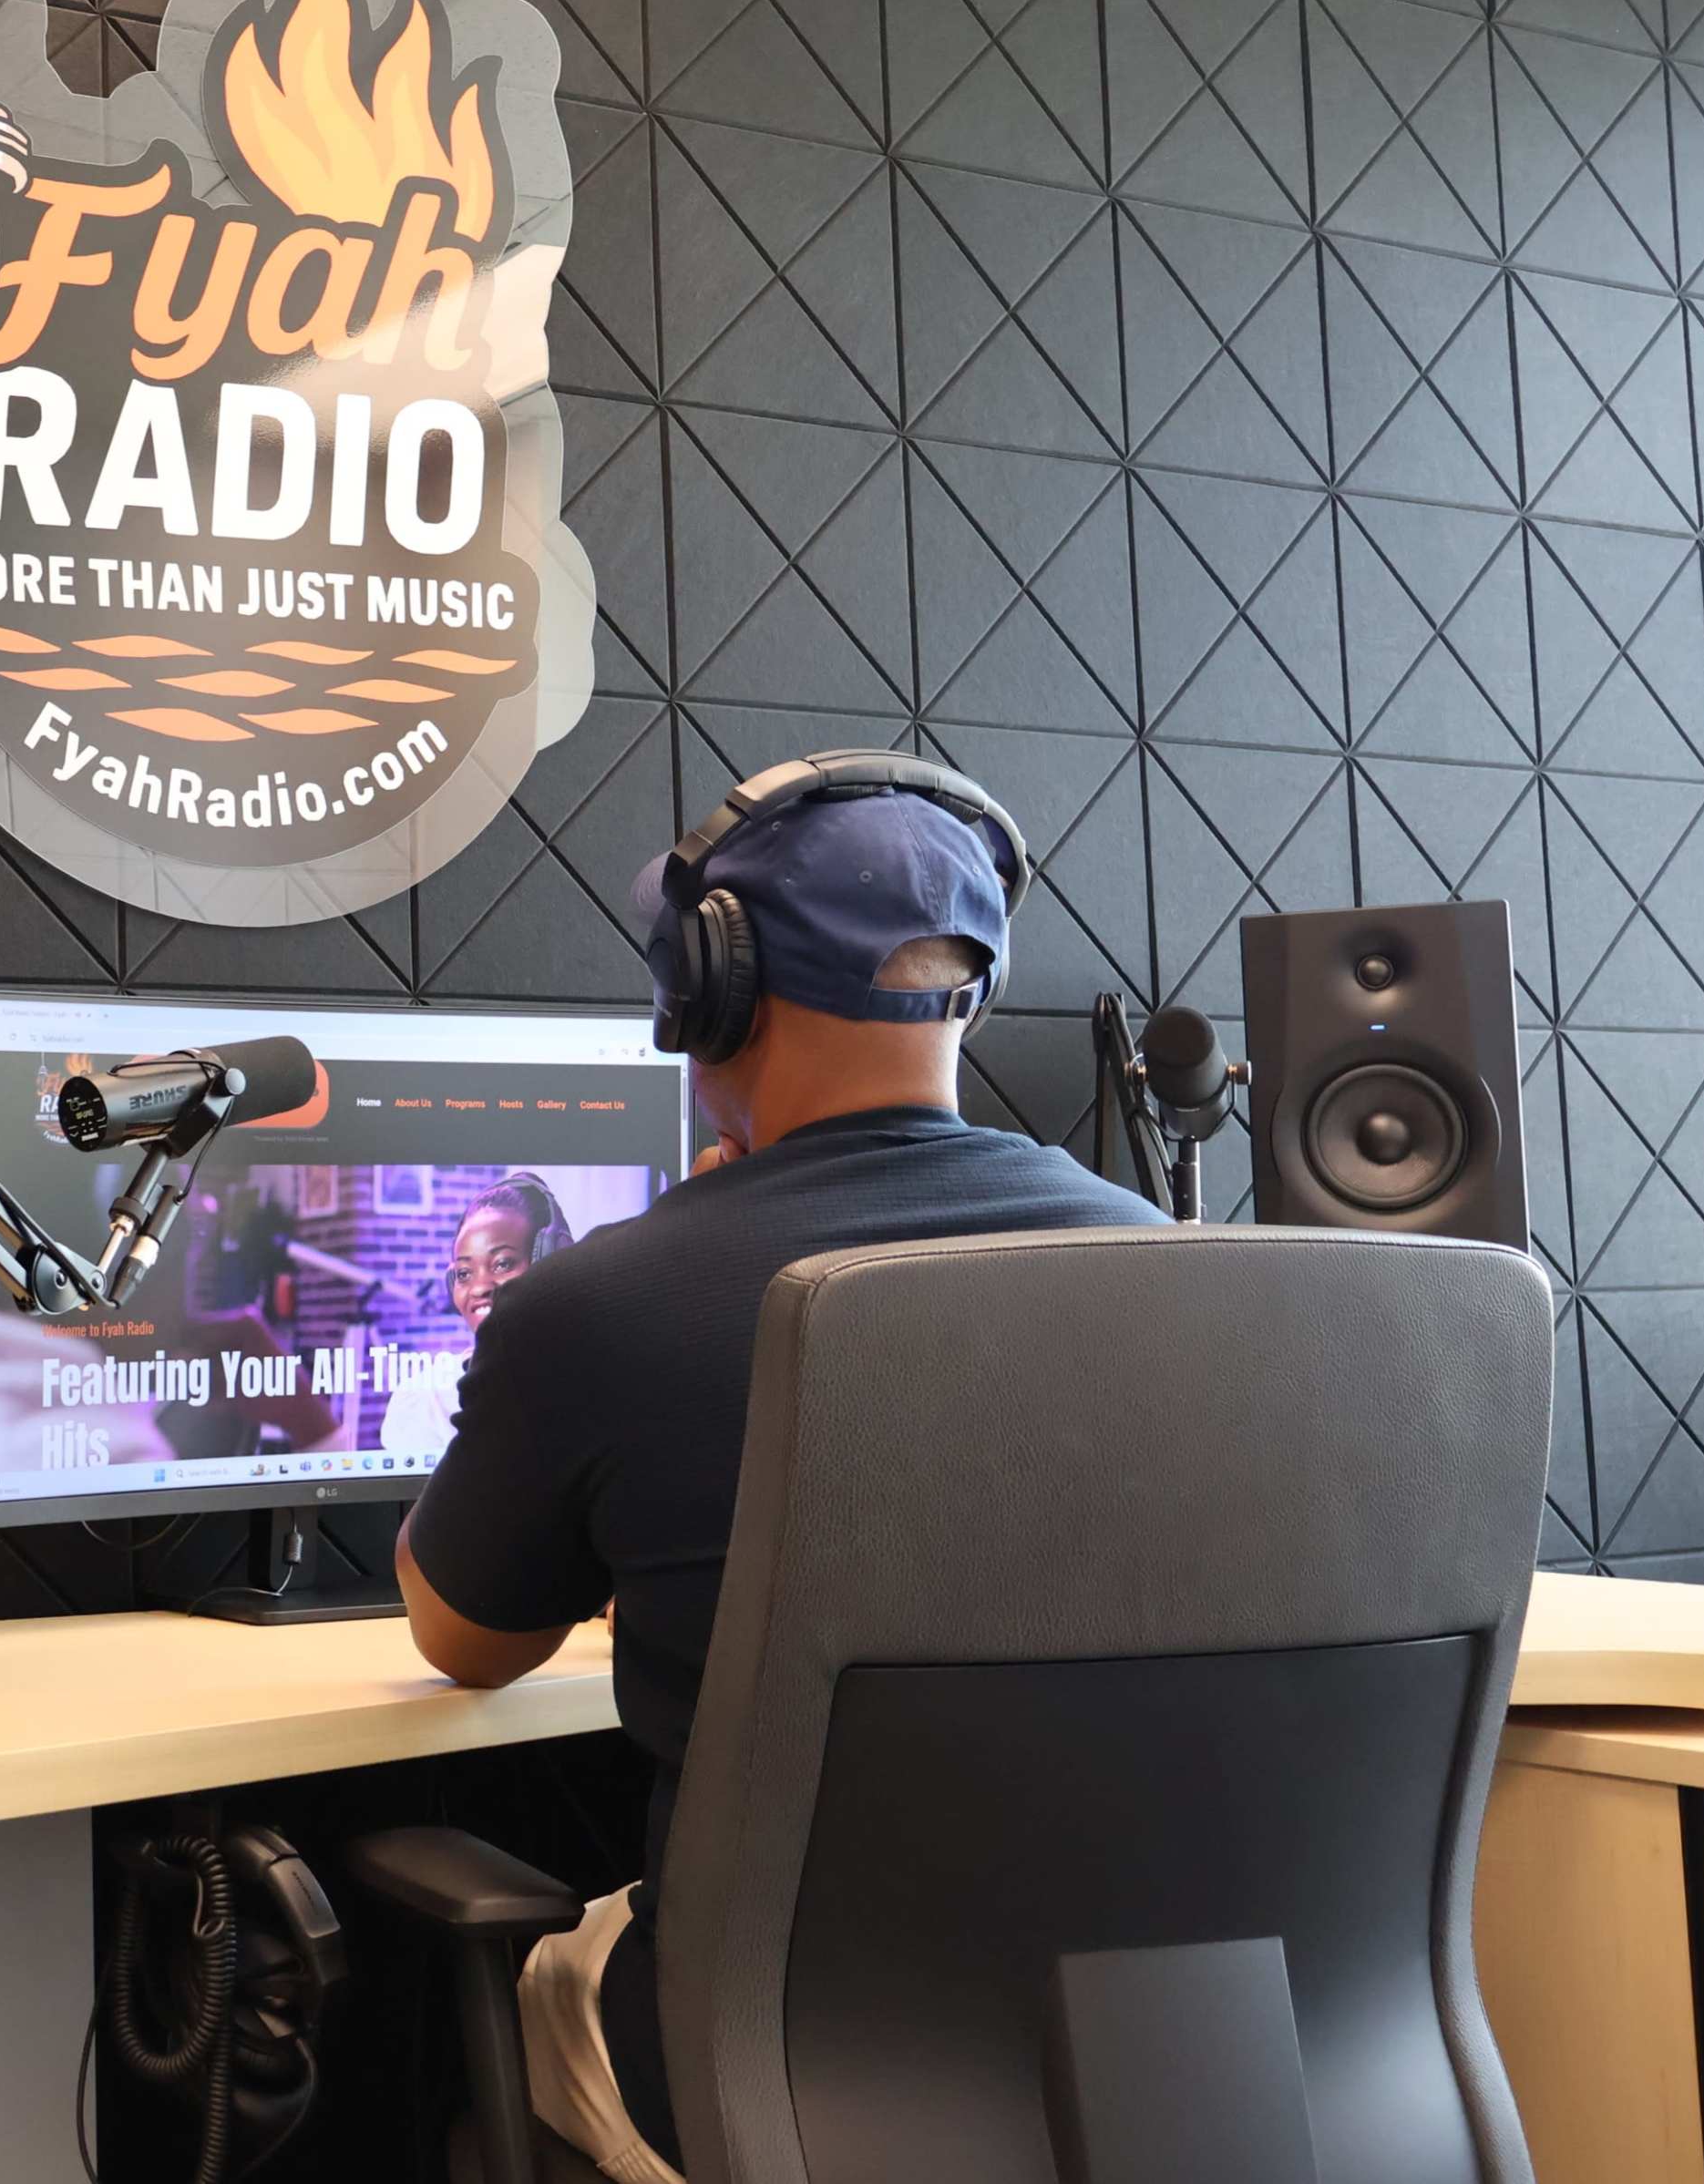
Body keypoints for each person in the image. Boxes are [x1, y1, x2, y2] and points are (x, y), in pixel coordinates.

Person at [393, 766, 1152, 2184]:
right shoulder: (1156, 1253)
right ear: (970, 992)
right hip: (1138, 2054)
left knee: (552, 1978)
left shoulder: (604, 1302)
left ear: (710, 988)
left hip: (771, 2068)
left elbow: (464, 1638)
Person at [377, 1174, 577, 1460]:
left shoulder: (595, 1383)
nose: (480, 1287)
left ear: (553, 1261)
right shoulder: (425, 1399)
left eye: (502, 1264)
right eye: (464, 1273)